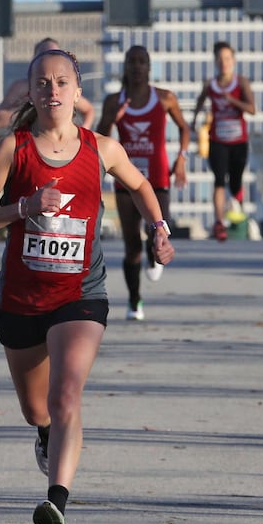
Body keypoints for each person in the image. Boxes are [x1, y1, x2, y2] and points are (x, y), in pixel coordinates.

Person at [0, 47, 175, 524]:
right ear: (31, 93)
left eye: (62, 83)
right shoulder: (12, 151)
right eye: (43, 83)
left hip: (80, 296)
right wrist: (23, 207)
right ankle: (45, 435)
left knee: (67, 395)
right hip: (19, 300)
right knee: (39, 410)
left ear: (78, 94)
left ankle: (56, 503)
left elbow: (142, 185)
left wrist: (159, 228)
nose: (52, 91)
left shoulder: (101, 148)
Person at [95, 44, 190, 321]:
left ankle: (154, 255)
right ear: (125, 67)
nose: (136, 67)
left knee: (157, 230)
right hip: (126, 178)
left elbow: (185, 127)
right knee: (131, 244)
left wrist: (181, 158)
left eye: (142, 62)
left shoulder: (164, 99)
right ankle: (135, 301)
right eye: (131, 62)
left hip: (157, 177)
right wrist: (115, 118)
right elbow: (100, 138)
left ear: (149, 68)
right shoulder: (115, 101)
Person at [191, 41, 255, 241]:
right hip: (217, 140)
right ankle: (219, 222)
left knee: (235, 182)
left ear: (233, 61)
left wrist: (232, 100)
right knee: (219, 180)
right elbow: (200, 102)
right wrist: (193, 123)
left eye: (227, 59)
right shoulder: (210, 84)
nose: (223, 63)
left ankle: (237, 213)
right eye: (220, 59)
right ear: (215, 61)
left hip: (238, 141)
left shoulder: (241, 82)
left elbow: (252, 109)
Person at [0, 37, 95, 134]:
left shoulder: (64, 90)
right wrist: (33, 111)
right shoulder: (21, 87)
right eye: (45, 55)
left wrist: (81, 134)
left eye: (55, 54)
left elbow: (89, 110)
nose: (53, 91)